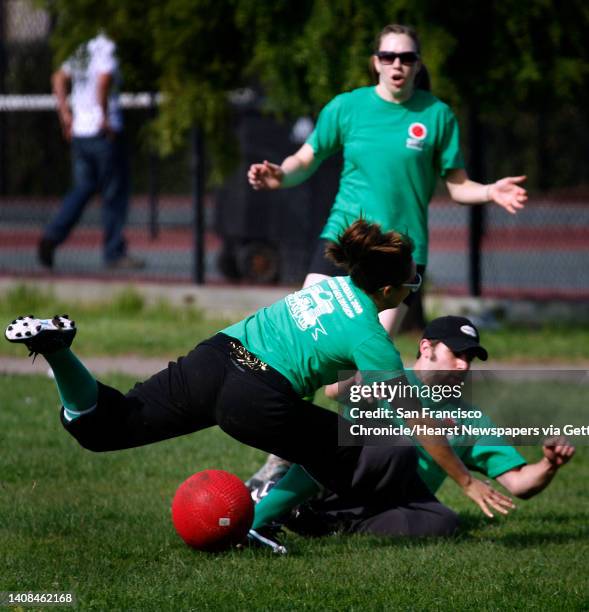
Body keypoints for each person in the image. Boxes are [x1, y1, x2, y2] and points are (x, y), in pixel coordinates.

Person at [6, 220, 512, 554]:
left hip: (215, 356)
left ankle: (57, 349)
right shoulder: (370, 333)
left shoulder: (334, 284)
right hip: (258, 396)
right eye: (411, 282)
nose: (412, 287)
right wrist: (466, 481)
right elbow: (418, 419)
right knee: (360, 448)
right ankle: (262, 519)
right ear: (387, 291)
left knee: (104, 427)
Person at [247, 22, 528, 486]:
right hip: (342, 244)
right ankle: (281, 464)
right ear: (375, 61)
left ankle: (351, 465)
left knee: (349, 385)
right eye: (388, 56)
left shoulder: (436, 115)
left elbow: (457, 186)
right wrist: (278, 173)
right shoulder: (346, 107)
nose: (397, 65)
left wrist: (490, 190)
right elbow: (305, 160)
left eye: (407, 58)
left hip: (398, 262)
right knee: (302, 346)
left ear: (418, 65)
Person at [250, 316, 575, 542]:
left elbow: (519, 484)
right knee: (396, 446)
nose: (463, 365)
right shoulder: (389, 374)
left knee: (443, 522)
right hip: (342, 476)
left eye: (470, 359)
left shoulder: (470, 418)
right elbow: (334, 392)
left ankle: (322, 521)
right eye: (457, 354)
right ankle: (274, 505)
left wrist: (549, 464)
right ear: (426, 348)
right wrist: (358, 385)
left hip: (392, 501)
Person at [38, 33, 144, 270]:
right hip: (102, 134)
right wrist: (104, 115)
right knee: (114, 194)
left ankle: (52, 236)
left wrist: (65, 114)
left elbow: (58, 78)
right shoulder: (108, 49)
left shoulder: (84, 49)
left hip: (80, 134)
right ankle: (114, 252)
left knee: (83, 188)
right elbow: (104, 79)